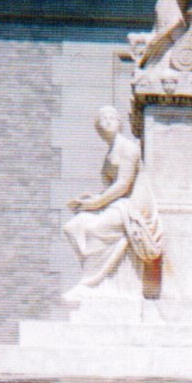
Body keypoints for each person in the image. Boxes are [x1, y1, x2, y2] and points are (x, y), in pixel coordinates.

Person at [63, 107, 163, 300]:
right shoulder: (110, 152)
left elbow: (124, 184)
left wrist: (95, 203)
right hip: (118, 203)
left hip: (133, 206)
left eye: (112, 118)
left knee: (94, 229)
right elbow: (113, 188)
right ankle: (102, 278)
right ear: (98, 128)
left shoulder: (128, 148)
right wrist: (91, 198)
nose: (108, 121)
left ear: (120, 123)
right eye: (103, 119)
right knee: (73, 226)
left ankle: (92, 283)